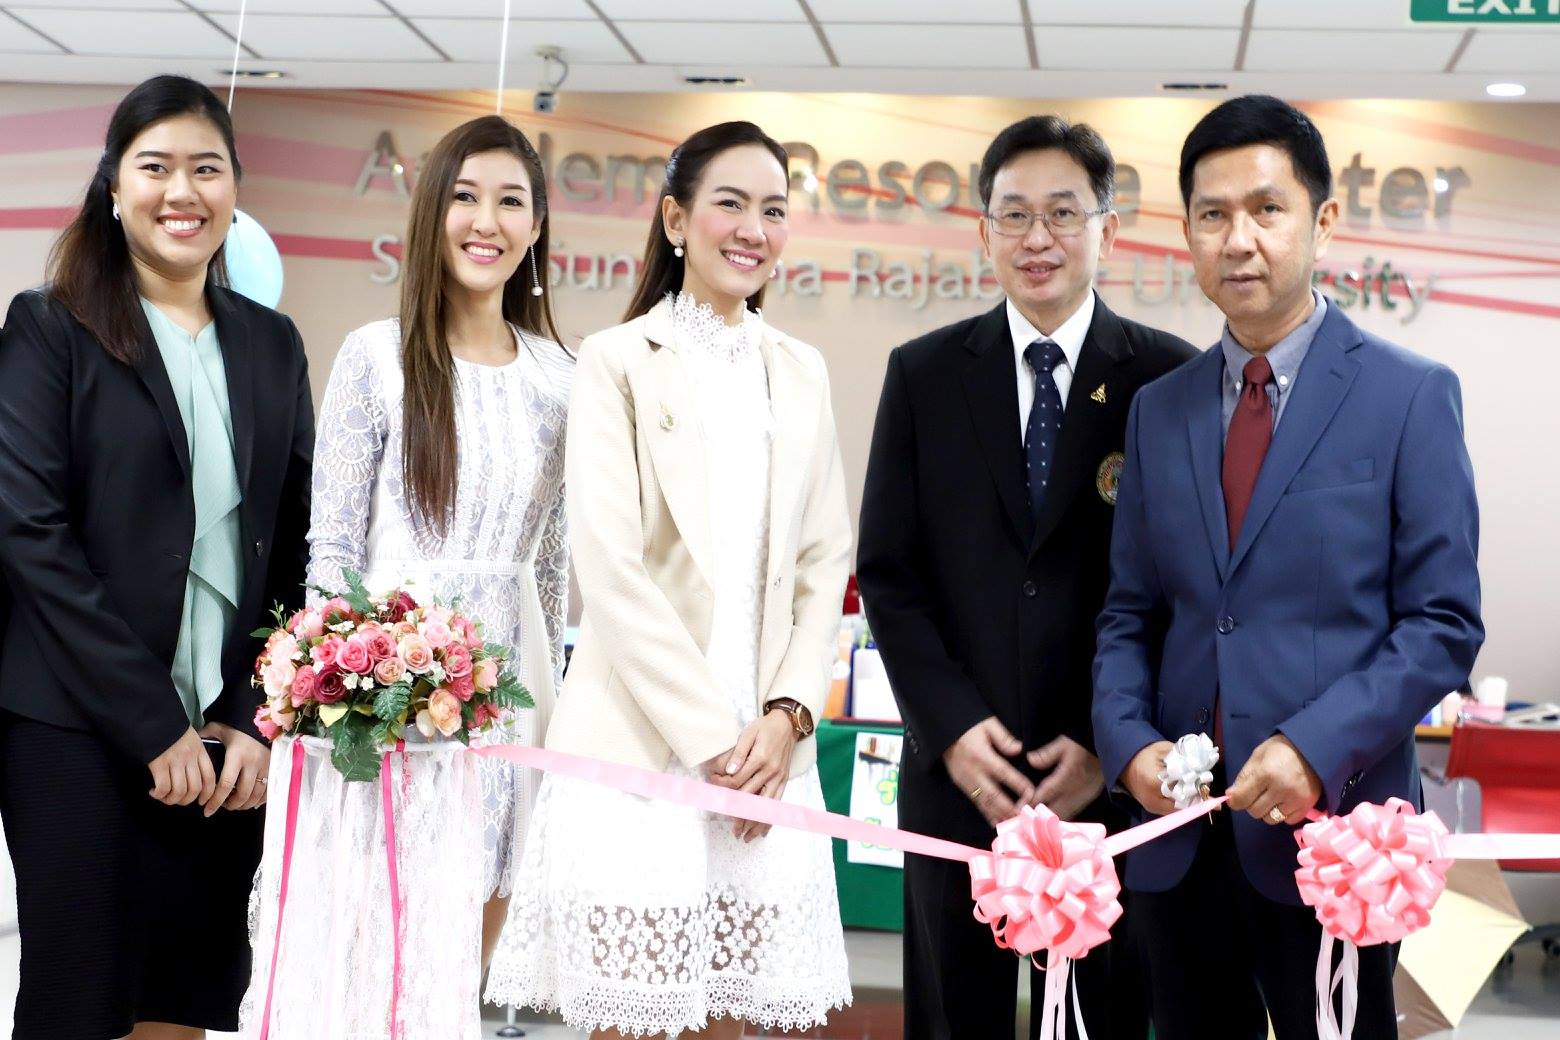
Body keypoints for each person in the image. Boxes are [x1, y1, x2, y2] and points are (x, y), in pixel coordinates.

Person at [1092, 94, 1483, 1040]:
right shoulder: (1160, 410)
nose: (1240, 240)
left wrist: (1315, 747)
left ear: (1322, 221)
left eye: (1267, 209)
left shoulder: (1409, 396)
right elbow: (1130, 614)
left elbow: (1443, 623)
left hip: (1336, 840)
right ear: (1188, 233)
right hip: (1180, 844)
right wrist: (1127, 742)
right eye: (1213, 215)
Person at [486, 121, 853, 1040]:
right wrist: (717, 747)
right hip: (641, 751)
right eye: (731, 204)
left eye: (774, 210)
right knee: (634, 1018)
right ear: (677, 220)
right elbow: (610, 570)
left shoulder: (801, 371)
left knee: (729, 1020)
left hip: (768, 757)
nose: (754, 229)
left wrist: (785, 718)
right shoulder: (615, 361)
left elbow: (823, 566)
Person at [857, 115, 1195, 1040]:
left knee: (1102, 1019)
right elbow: (888, 575)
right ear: (983, 232)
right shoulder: (923, 374)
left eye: (1062, 213)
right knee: (952, 1017)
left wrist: (1109, 741)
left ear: (1107, 229)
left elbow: (1188, 591)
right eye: (1013, 215)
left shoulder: (1169, 380)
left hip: (1108, 784)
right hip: (959, 779)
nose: (1036, 238)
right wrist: (952, 730)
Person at [0, 74, 314, 1040]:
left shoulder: (271, 344)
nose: (183, 192)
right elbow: (31, 535)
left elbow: (296, 551)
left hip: (224, 744)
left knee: (186, 997)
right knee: (80, 1002)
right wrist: (151, 724)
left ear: (235, 188)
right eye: (155, 167)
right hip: (77, 731)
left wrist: (253, 717)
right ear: (113, 186)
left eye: (206, 169)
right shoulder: (49, 327)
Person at [296, 113, 572, 996]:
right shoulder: (375, 357)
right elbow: (333, 545)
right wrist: (340, 688)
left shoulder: (562, 378)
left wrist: (557, 697)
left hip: (511, 693)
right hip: (386, 695)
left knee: (466, 958)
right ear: (431, 214)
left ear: (536, 227)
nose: (487, 222)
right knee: (375, 954)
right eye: (464, 197)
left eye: (511, 202)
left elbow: (554, 561)